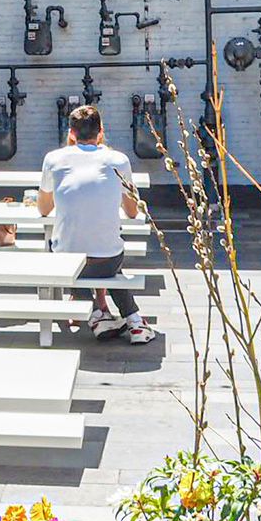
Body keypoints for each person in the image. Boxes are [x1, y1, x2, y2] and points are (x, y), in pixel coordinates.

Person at [38, 105, 158, 345]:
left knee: (66, 254)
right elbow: (133, 212)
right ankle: (133, 320)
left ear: (71, 133)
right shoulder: (118, 160)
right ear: (101, 132)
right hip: (108, 260)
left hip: (68, 262)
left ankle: (97, 315)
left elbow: (43, 209)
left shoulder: (53, 159)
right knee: (106, 253)